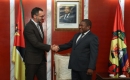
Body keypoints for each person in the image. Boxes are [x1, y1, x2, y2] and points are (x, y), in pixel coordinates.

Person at [23, 7, 53, 80]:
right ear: (34, 16)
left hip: (41, 59)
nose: (43, 18)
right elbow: (35, 43)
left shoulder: (39, 25)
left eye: (43, 16)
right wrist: (50, 47)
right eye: (41, 16)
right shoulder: (28, 27)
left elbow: (39, 41)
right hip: (32, 60)